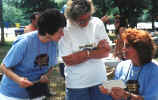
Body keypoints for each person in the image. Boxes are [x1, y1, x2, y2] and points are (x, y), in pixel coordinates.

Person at [0, 8, 66, 100]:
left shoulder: (54, 43)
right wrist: (18, 80)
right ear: (48, 32)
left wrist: (45, 76)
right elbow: (3, 67)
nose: (62, 34)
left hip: (36, 94)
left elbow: (50, 66)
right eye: (60, 31)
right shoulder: (25, 43)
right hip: (12, 95)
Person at [58, 0, 112, 100]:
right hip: (76, 85)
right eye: (81, 20)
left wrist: (83, 54)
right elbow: (68, 60)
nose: (85, 23)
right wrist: (95, 50)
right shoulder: (65, 29)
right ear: (72, 18)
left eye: (88, 18)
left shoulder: (97, 22)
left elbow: (106, 52)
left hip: (100, 80)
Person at [100, 28, 158, 100]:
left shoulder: (154, 70)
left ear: (139, 48)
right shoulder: (122, 66)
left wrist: (126, 95)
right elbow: (116, 96)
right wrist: (110, 91)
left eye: (127, 46)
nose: (123, 49)